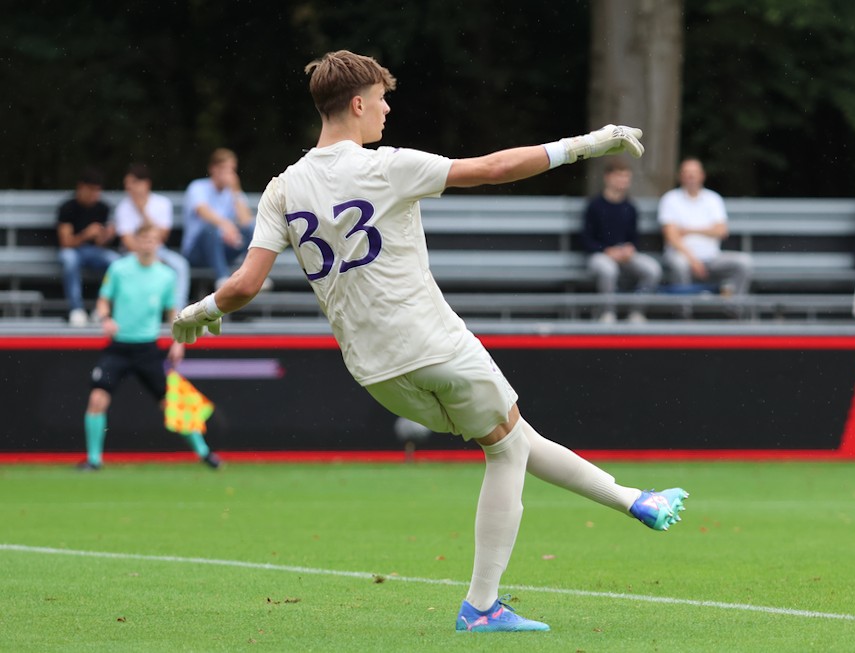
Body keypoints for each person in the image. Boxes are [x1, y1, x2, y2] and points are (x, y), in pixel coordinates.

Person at [170, 50, 688, 633]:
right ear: (358, 104)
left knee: (511, 439)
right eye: (382, 99)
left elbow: (243, 287)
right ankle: (483, 606)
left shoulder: (281, 189)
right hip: (433, 341)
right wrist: (587, 145)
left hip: (374, 371)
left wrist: (195, 312)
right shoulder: (385, 166)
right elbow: (493, 169)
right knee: (507, 448)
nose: (388, 110)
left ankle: (632, 499)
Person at [78, 224, 222, 471]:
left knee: (172, 404)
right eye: (143, 239)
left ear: (159, 243)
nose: (147, 244)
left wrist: (178, 343)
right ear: (135, 241)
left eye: (152, 239)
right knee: (97, 398)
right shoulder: (119, 269)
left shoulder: (166, 276)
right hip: (119, 347)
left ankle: (204, 453)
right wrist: (105, 319)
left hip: (147, 349)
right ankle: (94, 460)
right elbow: (103, 301)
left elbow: (172, 314)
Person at [581, 159, 662, 323]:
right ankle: (608, 312)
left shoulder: (630, 207)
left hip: (624, 255)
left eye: (626, 177)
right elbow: (586, 240)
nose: (623, 181)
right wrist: (607, 250)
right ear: (607, 178)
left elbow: (634, 238)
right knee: (608, 270)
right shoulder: (594, 206)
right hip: (600, 254)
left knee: (652, 269)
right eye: (619, 176)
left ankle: (636, 312)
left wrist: (629, 249)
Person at [657, 158, 752, 295]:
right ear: (680, 176)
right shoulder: (670, 199)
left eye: (694, 173)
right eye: (687, 173)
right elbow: (671, 236)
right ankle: (684, 313)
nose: (691, 176)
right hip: (682, 257)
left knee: (744, 262)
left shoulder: (713, 199)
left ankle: (734, 310)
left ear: (702, 175)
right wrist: (693, 260)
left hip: (712, 258)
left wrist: (688, 230)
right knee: (679, 265)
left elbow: (722, 231)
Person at [114, 163, 192, 307]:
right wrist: (146, 254)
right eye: (127, 184)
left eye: (133, 183)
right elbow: (128, 243)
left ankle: (177, 310)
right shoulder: (122, 207)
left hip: (159, 250)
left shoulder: (162, 203)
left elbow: (162, 237)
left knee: (180, 265)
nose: (129, 188)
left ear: (146, 183)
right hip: (131, 254)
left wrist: (141, 210)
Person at [180, 148, 257, 288]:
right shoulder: (197, 187)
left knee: (249, 230)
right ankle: (222, 278)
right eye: (224, 168)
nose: (228, 174)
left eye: (231, 169)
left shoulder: (233, 192)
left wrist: (236, 190)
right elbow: (203, 211)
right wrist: (226, 226)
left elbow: (247, 221)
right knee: (211, 230)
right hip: (196, 252)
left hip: (223, 248)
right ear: (213, 169)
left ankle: (254, 275)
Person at [57, 168, 120, 326]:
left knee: (116, 262)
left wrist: (107, 235)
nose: (94, 195)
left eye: (97, 191)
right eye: (91, 190)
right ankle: (76, 309)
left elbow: (100, 244)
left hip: (94, 252)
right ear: (81, 187)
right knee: (69, 259)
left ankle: (101, 308)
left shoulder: (102, 208)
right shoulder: (67, 207)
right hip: (73, 250)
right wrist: (86, 234)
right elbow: (65, 243)